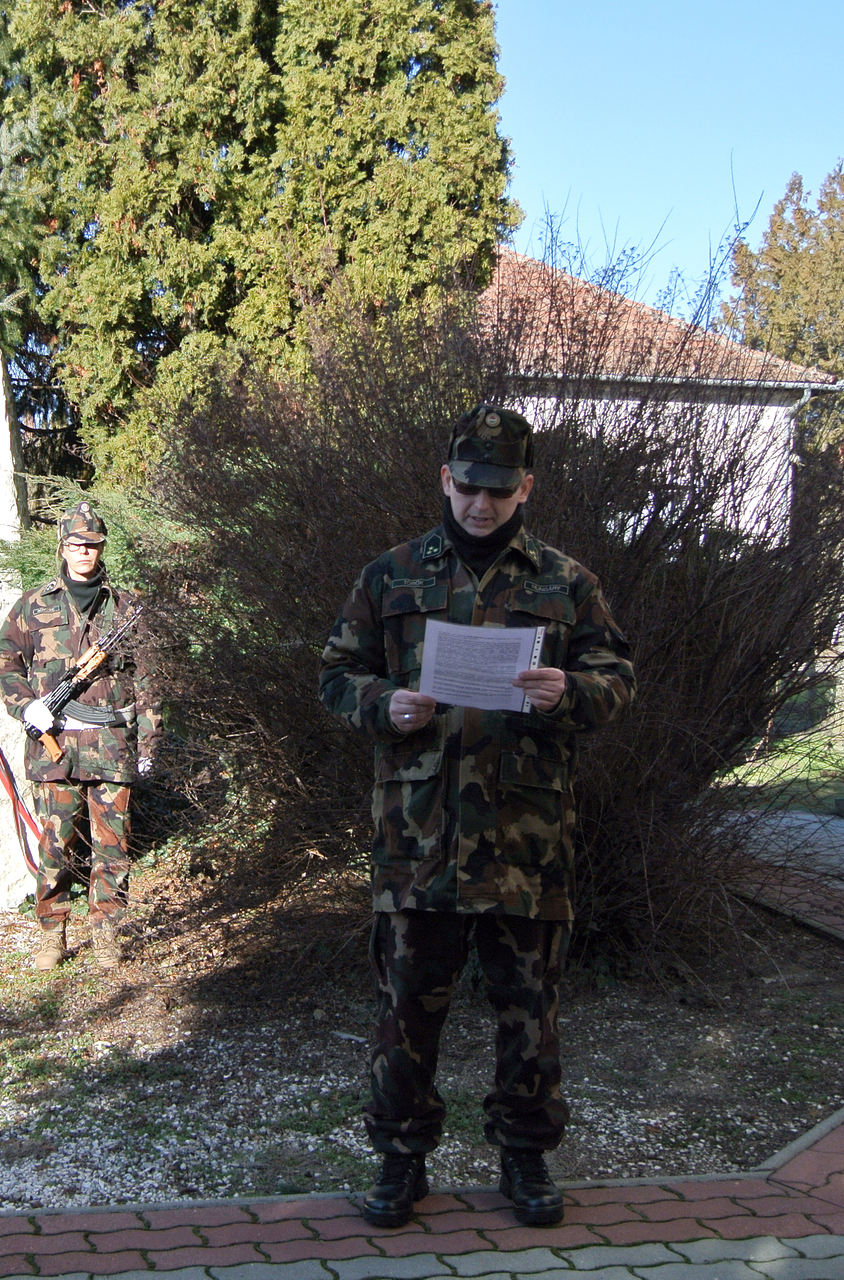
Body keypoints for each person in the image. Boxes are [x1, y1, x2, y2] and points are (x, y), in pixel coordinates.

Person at [318, 406, 634, 1229]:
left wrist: (572, 693)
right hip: (417, 839)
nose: (481, 505)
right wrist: (383, 704)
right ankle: (400, 1160)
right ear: (445, 480)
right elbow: (336, 673)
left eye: (498, 490)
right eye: (467, 488)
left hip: (525, 843)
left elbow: (616, 677)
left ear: (526, 486)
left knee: (529, 1014)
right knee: (405, 1011)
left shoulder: (566, 583)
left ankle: (525, 1159)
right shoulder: (391, 575)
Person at [0, 502, 159, 970]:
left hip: (112, 744)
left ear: (101, 548)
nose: (84, 551)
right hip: (56, 747)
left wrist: (149, 743)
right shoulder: (33, 604)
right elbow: (4, 664)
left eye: (92, 544)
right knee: (56, 843)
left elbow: (150, 681)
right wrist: (27, 705)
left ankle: (107, 933)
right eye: (76, 544)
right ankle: (52, 934)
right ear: (62, 548)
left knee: (113, 845)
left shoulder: (127, 608)